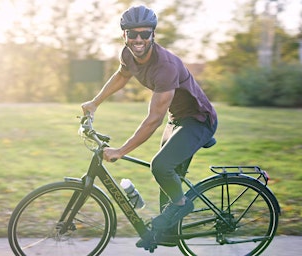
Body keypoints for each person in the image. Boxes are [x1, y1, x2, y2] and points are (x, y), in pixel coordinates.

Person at [81, 5, 218, 248]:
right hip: (177, 119)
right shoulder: (127, 55)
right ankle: (169, 234)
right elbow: (122, 76)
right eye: (132, 34)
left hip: (198, 120)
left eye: (145, 34)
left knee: (161, 166)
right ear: (124, 35)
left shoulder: (164, 66)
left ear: (153, 35)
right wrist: (94, 103)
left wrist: (121, 151)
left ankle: (183, 205)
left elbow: (154, 118)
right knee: (167, 179)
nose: (138, 39)